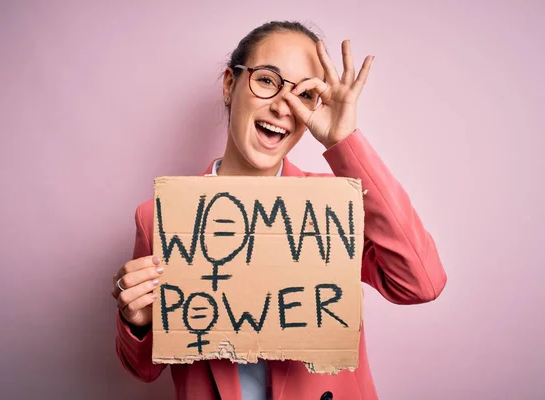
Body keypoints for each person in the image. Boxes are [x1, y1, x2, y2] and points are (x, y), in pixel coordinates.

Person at [111, 20, 447, 400]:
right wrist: (136, 321)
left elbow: (421, 282)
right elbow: (143, 369)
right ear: (229, 83)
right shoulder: (161, 218)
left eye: (304, 94)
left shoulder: (332, 208)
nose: (283, 106)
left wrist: (344, 142)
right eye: (268, 80)